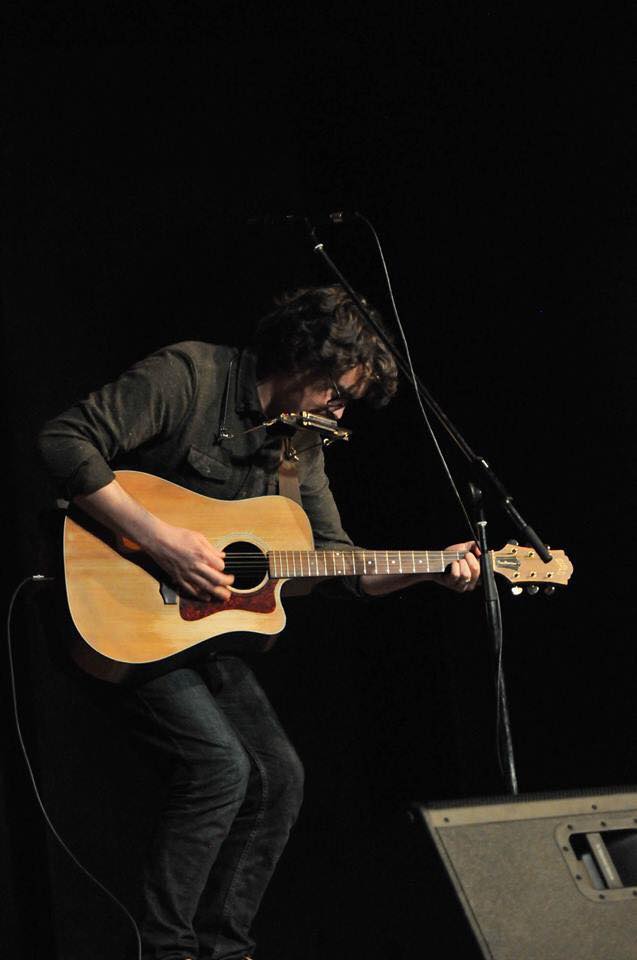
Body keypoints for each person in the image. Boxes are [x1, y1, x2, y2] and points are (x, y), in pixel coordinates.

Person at [38, 285, 480, 960]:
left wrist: (429, 569)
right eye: (336, 391)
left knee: (279, 777)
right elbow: (63, 441)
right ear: (302, 357)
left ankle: (226, 950)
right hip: (120, 604)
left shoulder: (300, 448)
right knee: (220, 767)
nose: (339, 409)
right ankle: (164, 952)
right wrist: (162, 541)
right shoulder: (190, 375)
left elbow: (338, 565)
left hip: (202, 632)